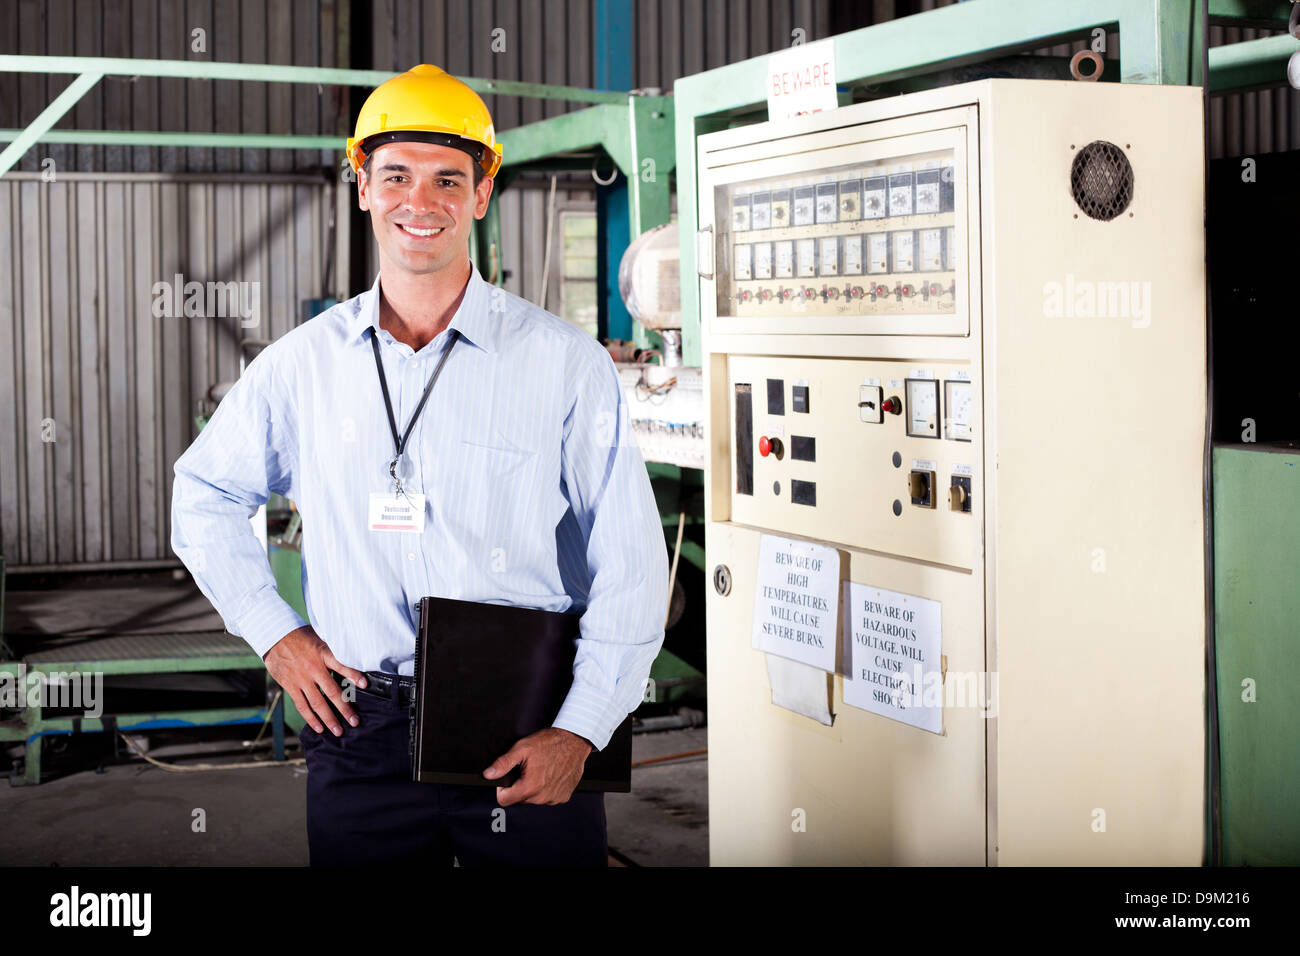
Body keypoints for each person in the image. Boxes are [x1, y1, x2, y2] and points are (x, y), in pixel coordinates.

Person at [170, 64, 669, 867]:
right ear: (362, 186)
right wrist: (276, 636)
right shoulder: (302, 367)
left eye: (447, 180)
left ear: (480, 194)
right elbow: (202, 495)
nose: (419, 202)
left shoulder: (564, 364)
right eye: (395, 176)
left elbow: (634, 565)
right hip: (355, 722)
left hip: (525, 716)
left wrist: (581, 728)